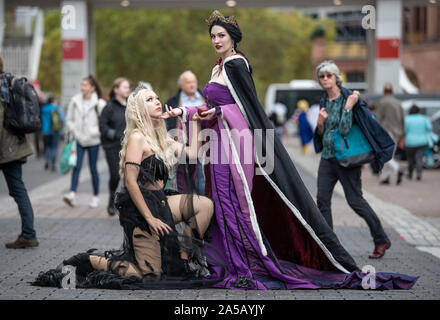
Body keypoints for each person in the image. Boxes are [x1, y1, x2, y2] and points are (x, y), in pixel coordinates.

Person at [170, 11, 417, 290]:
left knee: (232, 203)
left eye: (221, 35)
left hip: (232, 144)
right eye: (213, 36)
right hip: (217, 142)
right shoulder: (218, 67)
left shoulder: (236, 64)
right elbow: (212, 107)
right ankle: (228, 262)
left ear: (233, 38)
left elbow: (246, 109)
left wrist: (218, 111)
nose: (216, 40)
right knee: (220, 201)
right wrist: (182, 111)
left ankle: (243, 265)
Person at [33, 87, 226, 289]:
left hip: (161, 202)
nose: (158, 101)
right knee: (149, 277)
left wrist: (193, 119)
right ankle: (91, 260)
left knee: (204, 205)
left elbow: (193, 153)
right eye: (150, 99)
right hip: (140, 212)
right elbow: (130, 182)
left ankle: (183, 257)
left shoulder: (162, 138)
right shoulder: (137, 137)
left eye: (157, 97)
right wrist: (150, 218)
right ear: (139, 109)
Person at [313, 60, 393, 260]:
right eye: (321, 76)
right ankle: (329, 246)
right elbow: (324, 134)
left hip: (347, 159)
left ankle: (381, 239)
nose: (325, 79)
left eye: (328, 75)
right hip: (328, 158)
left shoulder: (349, 98)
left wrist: (348, 108)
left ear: (336, 77)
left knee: (355, 201)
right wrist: (320, 124)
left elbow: (344, 130)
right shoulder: (324, 100)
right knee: (322, 200)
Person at [0, 55, 38, 248]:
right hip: (14, 146)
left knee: (18, 191)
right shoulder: (8, 83)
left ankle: (29, 234)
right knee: (19, 190)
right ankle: (29, 233)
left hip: (6, 148)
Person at [63, 75, 107, 208]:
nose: (83, 88)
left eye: (85, 85)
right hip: (78, 140)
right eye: (82, 85)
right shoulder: (75, 101)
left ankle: (95, 197)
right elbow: (69, 119)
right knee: (76, 167)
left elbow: (104, 122)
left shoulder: (99, 103)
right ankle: (72, 194)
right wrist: (74, 131)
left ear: (92, 88)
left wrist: (96, 132)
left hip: (93, 140)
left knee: (93, 168)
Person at [165, 71, 206, 195]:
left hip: (203, 142)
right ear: (181, 85)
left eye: (194, 82)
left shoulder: (205, 98)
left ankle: (202, 204)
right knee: (183, 179)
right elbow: (167, 122)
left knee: (201, 180)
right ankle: (186, 206)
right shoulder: (173, 101)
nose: (192, 85)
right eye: (188, 82)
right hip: (181, 144)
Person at [99, 77, 130, 216]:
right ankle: (111, 200)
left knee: (129, 176)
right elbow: (103, 126)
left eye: (128, 87)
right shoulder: (109, 107)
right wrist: (116, 135)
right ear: (116, 89)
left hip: (129, 146)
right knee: (115, 176)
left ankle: (123, 203)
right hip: (112, 146)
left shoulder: (131, 106)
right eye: (124, 87)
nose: (127, 90)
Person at [375, 83, 405, 185]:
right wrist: (402, 135)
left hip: (386, 131)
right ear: (392, 92)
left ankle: (397, 169)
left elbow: (377, 118)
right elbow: (402, 119)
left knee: (385, 155)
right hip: (396, 132)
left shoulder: (382, 102)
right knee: (390, 155)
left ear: (384, 92)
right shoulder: (398, 103)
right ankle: (386, 178)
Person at [405, 105, 433, 181]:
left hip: (409, 142)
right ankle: (419, 174)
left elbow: (404, 130)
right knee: (419, 158)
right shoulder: (423, 118)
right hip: (422, 142)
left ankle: (410, 174)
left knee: (410, 159)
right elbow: (429, 128)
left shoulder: (407, 119)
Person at [41, 93, 65, 172]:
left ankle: (47, 161)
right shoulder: (56, 108)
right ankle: (53, 164)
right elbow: (62, 119)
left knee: (47, 147)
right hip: (55, 130)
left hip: (45, 131)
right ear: (53, 100)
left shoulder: (43, 108)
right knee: (54, 147)